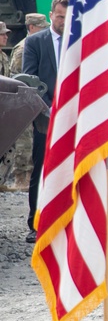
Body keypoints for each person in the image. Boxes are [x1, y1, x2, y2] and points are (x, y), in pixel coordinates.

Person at [21, 0, 69, 244]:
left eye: (68, 17)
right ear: (51, 15)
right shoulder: (36, 42)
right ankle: (36, 223)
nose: (63, 21)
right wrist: (51, 110)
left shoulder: (81, 42)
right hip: (46, 118)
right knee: (41, 170)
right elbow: (30, 81)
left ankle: (68, 222)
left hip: (75, 120)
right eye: (60, 17)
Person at [5, 13, 48, 193]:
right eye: (40, 26)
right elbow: (20, 76)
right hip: (22, 100)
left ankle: (28, 175)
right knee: (23, 139)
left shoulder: (38, 43)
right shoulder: (24, 48)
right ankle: (21, 176)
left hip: (30, 100)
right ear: (31, 27)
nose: (44, 29)